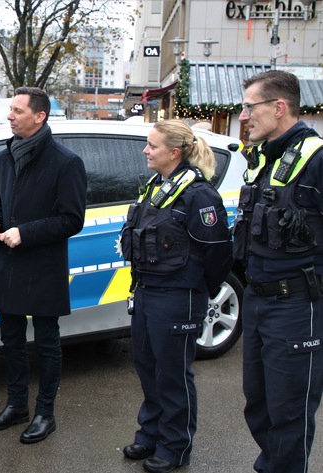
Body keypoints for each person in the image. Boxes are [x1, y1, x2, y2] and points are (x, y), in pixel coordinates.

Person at [119, 119, 232, 473]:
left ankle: (175, 446)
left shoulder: (199, 195)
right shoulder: (157, 186)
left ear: (174, 152)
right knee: (148, 368)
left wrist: (199, 291)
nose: (145, 151)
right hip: (148, 291)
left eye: (151, 146)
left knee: (173, 375)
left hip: (178, 296)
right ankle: (150, 434)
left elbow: (218, 254)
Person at [0, 87, 87, 444]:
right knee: (10, 339)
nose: (9, 116)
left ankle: (45, 412)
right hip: (9, 264)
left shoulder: (66, 161)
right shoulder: (4, 156)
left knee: (46, 341)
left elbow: (72, 219)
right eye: (10, 110)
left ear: (39, 116)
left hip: (43, 265)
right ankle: (16, 406)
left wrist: (24, 233)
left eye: (17, 110)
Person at [232, 70, 323, 473]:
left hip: (297, 303)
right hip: (258, 299)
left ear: (279, 107)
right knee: (259, 400)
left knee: (289, 408)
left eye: (250, 106)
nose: (245, 115)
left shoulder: (317, 158)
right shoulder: (263, 158)